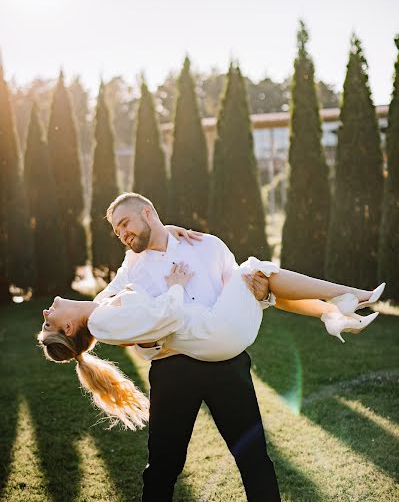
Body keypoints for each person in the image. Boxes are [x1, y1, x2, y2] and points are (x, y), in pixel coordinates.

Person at [38, 193, 383, 502]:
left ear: (148, 213)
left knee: (253, 457)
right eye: (117, 232)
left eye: (125, 224)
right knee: (162, 467)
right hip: (174, 372)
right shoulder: (129, 271)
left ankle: (334, 309)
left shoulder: (206, 245)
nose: (123, 235)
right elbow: (101, 317)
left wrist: (260, 293)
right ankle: (339, 305)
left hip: (225, 364)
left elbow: (236, 292)